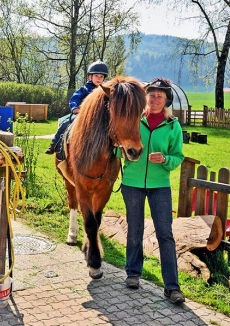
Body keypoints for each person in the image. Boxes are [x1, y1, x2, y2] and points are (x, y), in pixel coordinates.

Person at [121, 77, 186, 304]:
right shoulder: (133, 120)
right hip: (132, 183)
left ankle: (172, 287)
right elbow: (119, 143)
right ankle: (133, 274)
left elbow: (178, 156)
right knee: (135, 230)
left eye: (160, 96)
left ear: (166, 100)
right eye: (151, 95)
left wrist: (165, 158)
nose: (155, 99)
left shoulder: (173, 126)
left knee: (165, 235)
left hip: (160, 187)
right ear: (145, 98)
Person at [45, 60, 108, 154]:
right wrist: (75, 108)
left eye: (101, 76)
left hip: (101, 117)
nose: (99, 78)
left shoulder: (105, 92)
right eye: (96, 76)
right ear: (90, 76)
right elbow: (75, 98)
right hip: (83, 115)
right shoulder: (84, 89)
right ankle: (54, 144)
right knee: (65, 123)